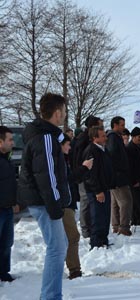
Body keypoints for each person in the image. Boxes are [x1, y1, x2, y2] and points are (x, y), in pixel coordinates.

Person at [18, 93, 71, 299]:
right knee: (57, 250)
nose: (65, 116)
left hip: (42, 201)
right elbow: (47, 176)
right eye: (64, 112)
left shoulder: (44, 134)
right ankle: (50, 296)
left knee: (59, 247)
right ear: (57, 113)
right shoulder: (45, 137)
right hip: (44, 202)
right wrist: (55, 205)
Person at [60, 135, 93, 279]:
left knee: (68, 237)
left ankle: (73, 269)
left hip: (68, 202)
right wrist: (84, 168)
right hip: (63, 204)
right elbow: (66, 180)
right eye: (67, 144)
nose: (70, 147)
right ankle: (74, 270)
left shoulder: (64, 159)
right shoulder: (58, 161)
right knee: (72, 236)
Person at [83, 126, 114, 249]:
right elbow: (90, 174)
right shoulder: (91, 151)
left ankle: (103, 240)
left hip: (105, 188)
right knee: (97, 217)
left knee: (105, 216)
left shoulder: (102, 149)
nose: (105, 138)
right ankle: (96, 243)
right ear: (95, 138)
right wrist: (97, 191)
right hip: (97, 191)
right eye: (103, 136)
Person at [72, 116, 103, 238]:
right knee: (85, 202)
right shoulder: (83, 140)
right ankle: (86, 229)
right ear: (92, 127)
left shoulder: (86, 139)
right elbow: (79, 159)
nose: (101, 128)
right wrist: (82, 172)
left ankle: (89, 227)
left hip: (86, 173)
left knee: (89, 202)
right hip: (84, 174)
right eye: (99, 126)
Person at [106, 116, 133, 236]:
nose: (124, 127)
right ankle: (123, 227)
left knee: (116, 203)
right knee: (126, 201)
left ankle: (117, 226)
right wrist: (118, 171)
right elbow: (112, 155)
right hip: (118, 176)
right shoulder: (113, 138)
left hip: (117, 175)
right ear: (115, 125)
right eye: (122, 125)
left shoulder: (115, 137)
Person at [0, 126, 17, 282]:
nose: (13, 142)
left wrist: (15, 201)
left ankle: (3, 272)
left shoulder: (7, 159)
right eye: (10, 139)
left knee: (6, 244)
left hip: (7, 209)